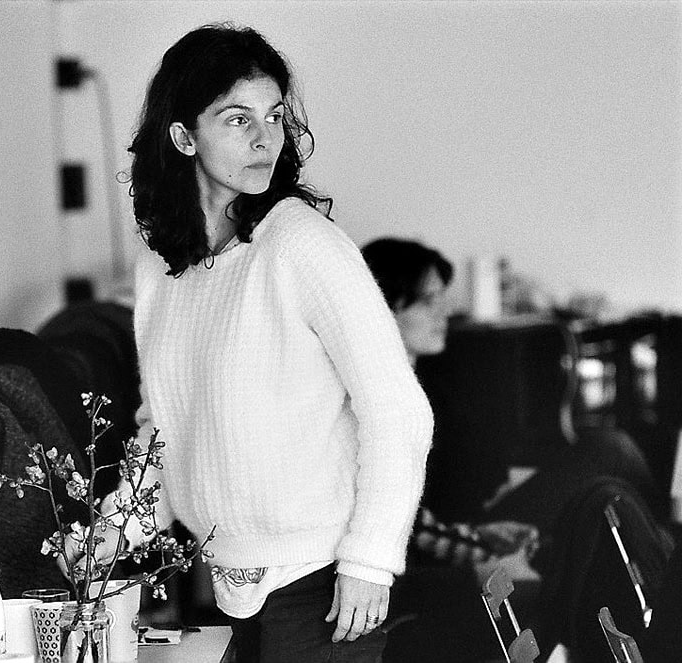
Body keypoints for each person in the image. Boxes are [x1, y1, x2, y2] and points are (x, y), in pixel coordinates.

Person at [67, 25, 434, 663]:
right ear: (183, 136)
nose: (266, 138)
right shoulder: (161, 267)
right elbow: (167, 426)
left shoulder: (302, 245)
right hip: (229, 583)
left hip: (324, 585)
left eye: (275, 116)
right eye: (238, 119)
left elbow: (398, 411)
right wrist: (110, 531)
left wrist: (370, 562)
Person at [361, 237, 672, 661]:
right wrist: (477, 551)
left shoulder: (421, 379)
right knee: (609, 461)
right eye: (428, 301)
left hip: (467, 530)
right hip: (451, 552)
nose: (444, 312)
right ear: (383, 306)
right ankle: (660, 567)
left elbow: (423, 519)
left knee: (606, 469)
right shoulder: (381, 399)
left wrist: (482, 532)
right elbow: (410, 531)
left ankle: (655, 559)